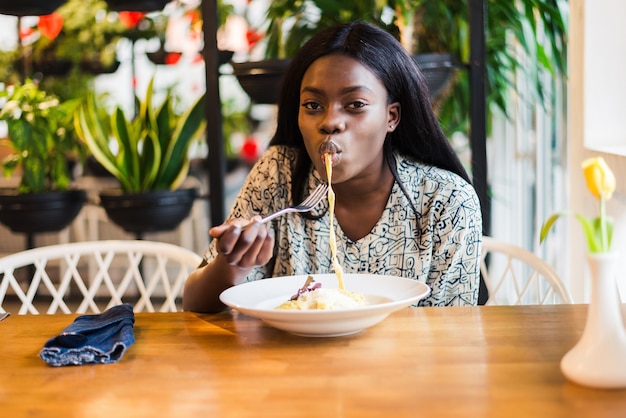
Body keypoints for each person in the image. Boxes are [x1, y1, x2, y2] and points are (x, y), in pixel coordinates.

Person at [183, 21, 482, 313]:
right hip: (288, 362)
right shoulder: (279, 174)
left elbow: (453, 333)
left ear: (391, 116)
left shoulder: (447, 201)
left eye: (355, 105)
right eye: (313, 105)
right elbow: (194, 304)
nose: (329, 122)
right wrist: (232, 264)